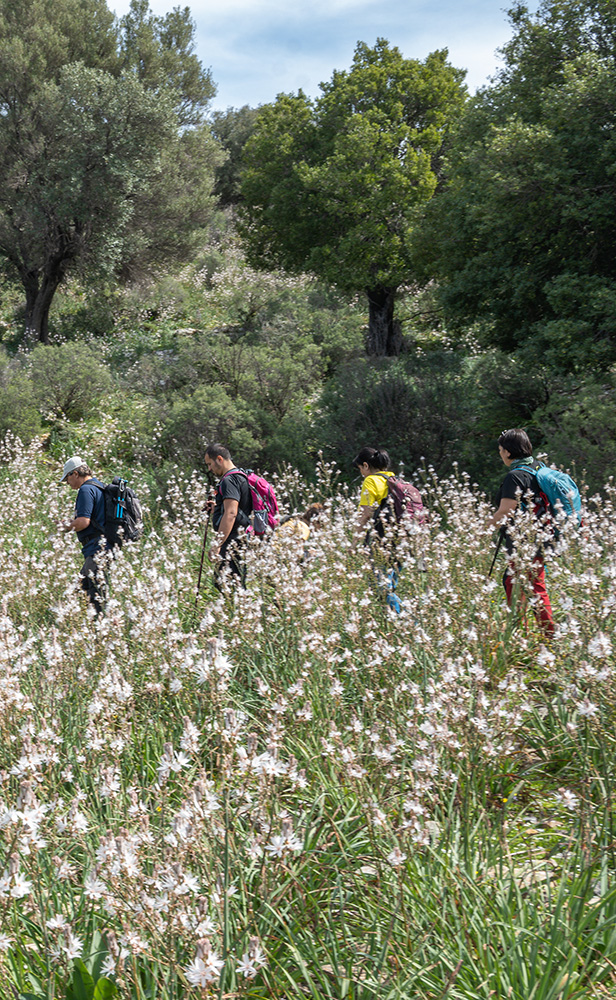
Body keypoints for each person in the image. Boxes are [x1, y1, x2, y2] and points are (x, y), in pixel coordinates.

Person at [487, 428, 555, 639]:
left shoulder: (515, 476)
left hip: (523, 541)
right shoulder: (539, 468)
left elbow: (506, 510)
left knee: (520, 585)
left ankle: (527, 636)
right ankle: (539, 635)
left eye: (500, 450)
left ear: (508, 452)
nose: (500, 454)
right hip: (543, 537)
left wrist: (483, 528)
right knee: (530, 584)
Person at [59, 456, 109, 614]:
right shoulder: (100, 486)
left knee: (90, 589)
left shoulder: (86, 489)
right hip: (104, 547)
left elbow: (83, 522)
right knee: (88, 587)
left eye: (67, 478)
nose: (67, 483)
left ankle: (100, 629)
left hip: (97, 549)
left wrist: (65, 526)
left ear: (74, 473)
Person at [204, 444, 253, 589]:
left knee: (227, 586)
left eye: (210, 464)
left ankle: (239, 612)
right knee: (230, 585)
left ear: (219, 459)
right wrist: (217, 508)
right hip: (241, 540)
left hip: (232, 542)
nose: (209, 469)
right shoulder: (241, 476)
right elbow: (238, 508)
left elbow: (231, 513)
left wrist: (216, 545)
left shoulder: (229, 481)